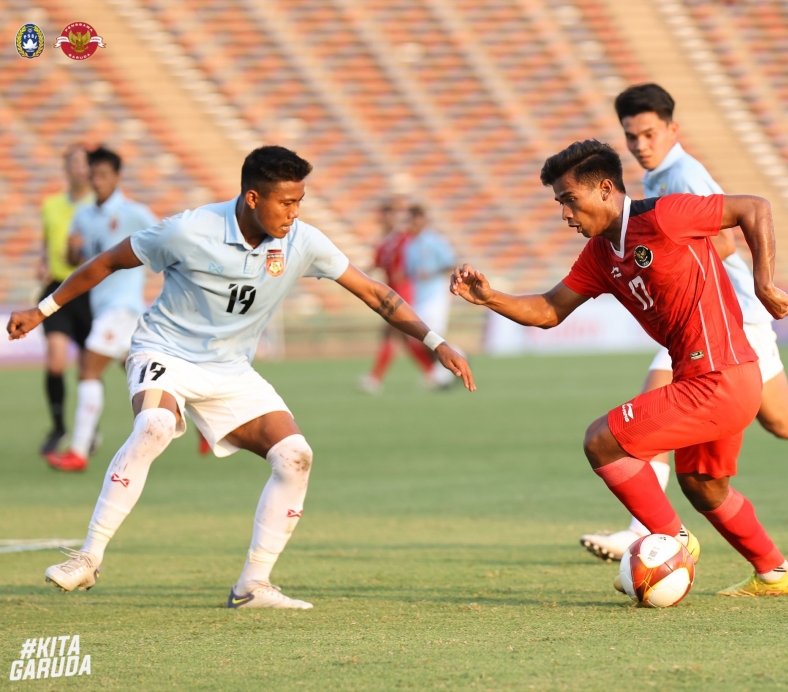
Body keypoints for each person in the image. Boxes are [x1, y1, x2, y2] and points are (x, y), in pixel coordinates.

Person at [7, 146, 474, 609]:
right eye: (286, 203)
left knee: (295, 456)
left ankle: (253, 585)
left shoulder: (301, 241)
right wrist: (43, 308)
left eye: (300, 202)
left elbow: (376, 294)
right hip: (165, 351)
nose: (294, 214)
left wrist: (437, 343)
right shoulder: (190, 230)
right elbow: (108, 261)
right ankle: (88, 557)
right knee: (155, 426)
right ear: (253, 198)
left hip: (230, 369)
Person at [451, 139, 788, 597]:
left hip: (721, 378)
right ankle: (776, 573)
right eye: (559, 203)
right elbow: (548, 310)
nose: (564, 214)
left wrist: (764, 283)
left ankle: (674, 544)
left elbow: (754, 208)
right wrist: (490, 298)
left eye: (568, 200)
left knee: (602, 441)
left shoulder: (664, 216)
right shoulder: (601, 255)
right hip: (708, 378)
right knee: (703, 486)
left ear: (604, 189)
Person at [580, 83, 788, 561]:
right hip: (721, 320)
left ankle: (643, 531)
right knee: (787, 421)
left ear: (673, 129)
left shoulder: (682, 176)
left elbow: (726, 241)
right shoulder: (661, 178)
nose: (640, 145)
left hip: (720, 319)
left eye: (649, 134)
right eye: (632, 137)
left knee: (652, 407)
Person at [46, 146, 157, 473]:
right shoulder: (83, 215)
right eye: (93, 175)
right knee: (144, 376)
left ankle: (78, 451)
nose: (97, 181)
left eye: (103, 175)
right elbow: (74, 260)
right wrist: (71, 251)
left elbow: (165, 238)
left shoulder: (133, 213)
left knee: (88, 370)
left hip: (122, 308)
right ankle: (201, 422)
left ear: (117, 178)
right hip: (103, 307)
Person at [37, 145, 94, 456]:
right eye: (74, 163)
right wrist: (43, 262)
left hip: (88, 288)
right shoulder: (51, 205)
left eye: (85, 164)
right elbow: (47, 242)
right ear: (66, 168)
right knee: (55, 360)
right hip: (58, 289)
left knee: (89, 366)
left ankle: (88, 428)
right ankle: (58, 426)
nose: (80, 169)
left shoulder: (98, 205)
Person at [359, 199, 435, 393]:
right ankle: (432, 373)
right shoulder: (384, 242)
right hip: (389, 291)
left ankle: (374, 379)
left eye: (388, 215)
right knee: (404, 339)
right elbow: (377, 264)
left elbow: (414, 258)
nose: (385, 219)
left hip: (401, 292)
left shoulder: (402, 239)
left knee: (389, 334)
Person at [404, 204, 457, 387]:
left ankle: (443, 373)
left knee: (433, 335)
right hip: (420, 297)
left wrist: (432, 273)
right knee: (422, 338)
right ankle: (455, 359)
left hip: (436, 295)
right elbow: (409, 272)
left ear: (423, 220)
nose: (413, 223)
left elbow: (450, 264)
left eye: (416, 218)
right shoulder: (410, 246)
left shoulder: (434, 240)